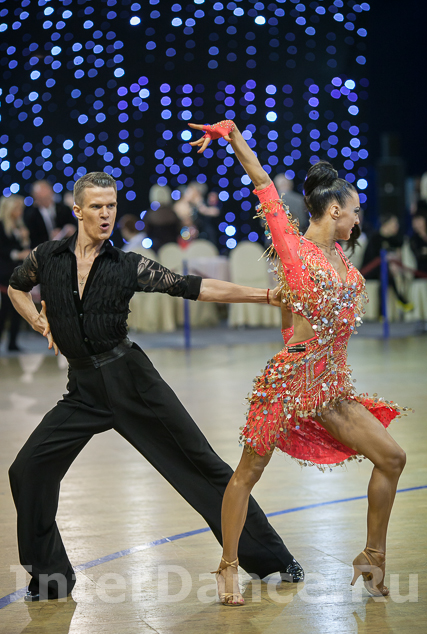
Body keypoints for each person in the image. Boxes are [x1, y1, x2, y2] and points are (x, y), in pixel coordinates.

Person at [8, 171, 303, 602]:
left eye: (111, 206)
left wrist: (265, 296)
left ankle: (273, 557)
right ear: (78, 210)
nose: (106, 214)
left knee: (200, 465)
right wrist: (38, 320)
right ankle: (51, 578)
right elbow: (16, 287)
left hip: (133, 382)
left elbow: (194, 287)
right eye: (96, 206)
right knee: (27, 470)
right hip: (84, 390)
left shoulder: (127, 265)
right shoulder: (47, 257)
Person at [190, 120, 407, 606]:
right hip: (288, 383)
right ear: (335, 209)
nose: (358, 219)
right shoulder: (295, 249)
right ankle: (227, 565)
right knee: (247, 473)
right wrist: (233, 136)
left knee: (392, 458)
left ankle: (372, 556)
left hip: (330, 390)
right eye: (355, 211)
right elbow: (263, 183)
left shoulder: (341, 258)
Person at [361, 214, 412, 313]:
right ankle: (400, 299)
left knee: (385, 274)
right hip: (369, 270)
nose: (396, 226)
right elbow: (373, 260)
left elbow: (398, 255)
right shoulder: (374, 238)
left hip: (385, 270)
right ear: (385, 224)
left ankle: (383, 311)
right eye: (394, 224)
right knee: (384, 272)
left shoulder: (394, 239)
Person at [0, 195, 31, 351]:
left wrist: (25, 239)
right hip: (4, 273)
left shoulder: (20, 226)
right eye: (17, 208)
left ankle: (13, 342)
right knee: (4, 309)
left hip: (18, 272)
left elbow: (24, 248)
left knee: (18, 308)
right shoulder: (1, 226)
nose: (20, 211)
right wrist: (16, 254)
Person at [24, 180, 76, 248]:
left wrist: (71, 230)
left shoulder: (64, 209)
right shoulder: (31, 215)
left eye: (47, 197)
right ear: (35, 198)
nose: (45, 200)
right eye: (42, 198)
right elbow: (33, 240)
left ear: (51, 193)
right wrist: (50, 238)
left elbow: (74, 226)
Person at [143, 185, 182, 252]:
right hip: (172, 248)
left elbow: (146, 233)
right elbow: (179, 230)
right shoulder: (173, 213)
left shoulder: (150, 214)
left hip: (155, 250)